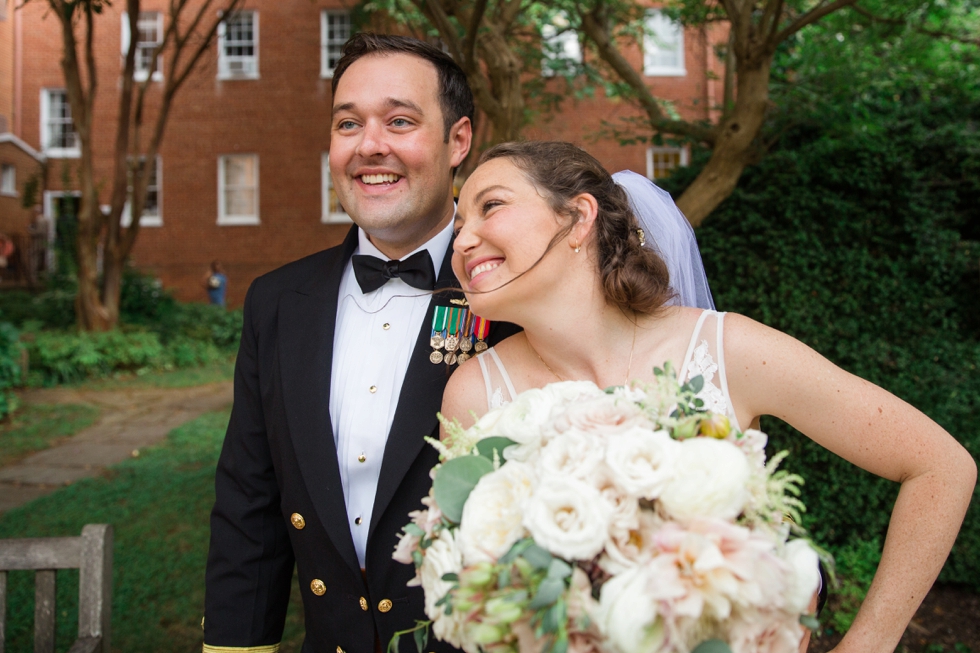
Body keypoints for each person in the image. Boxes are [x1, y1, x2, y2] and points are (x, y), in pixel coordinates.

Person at [442, 141, 976, 653]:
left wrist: (868, 644)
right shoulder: (473, 395)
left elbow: (940, 467)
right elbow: (483, 591)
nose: (463, 240)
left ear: (579, 218)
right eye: (459, 224)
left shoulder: (727, 349)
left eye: (491, 206)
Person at [203, 34, 517, 653]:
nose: (370, 146)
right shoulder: (275, 302)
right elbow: (250, 509)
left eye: (400, 121)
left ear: (459, 141)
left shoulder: (517, 291)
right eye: (349, 124)